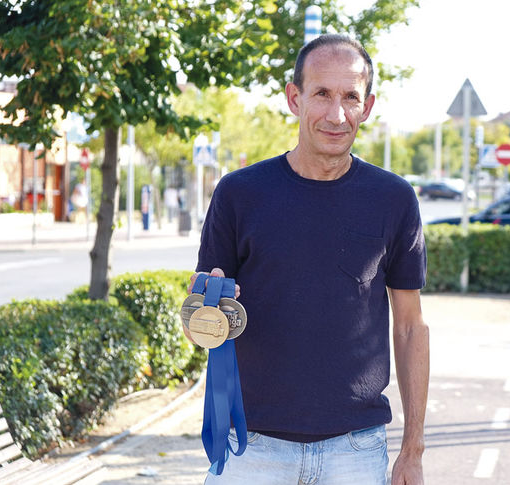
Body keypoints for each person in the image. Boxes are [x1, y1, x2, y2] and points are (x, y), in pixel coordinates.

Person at [189, 33, 429, 485]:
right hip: (252, 448)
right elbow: (201, 325)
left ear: (368, 106)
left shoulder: (394, 199)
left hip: (356, 452)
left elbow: (411, 326)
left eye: (350, 97)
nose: (336, 115)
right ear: (294, 98)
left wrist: (412, 449)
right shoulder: (239, 194)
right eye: (321, 94)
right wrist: (203, 310)